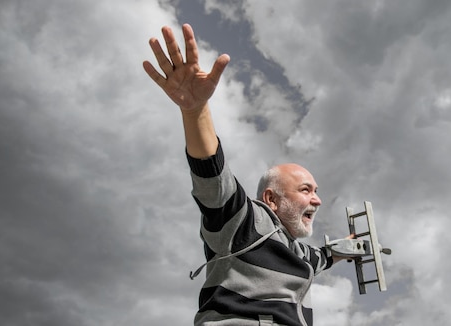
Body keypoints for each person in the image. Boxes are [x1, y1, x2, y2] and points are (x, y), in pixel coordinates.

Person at [143, 24, 344, 326]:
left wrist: (349, 248)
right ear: (271, 199)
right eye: (305, 190)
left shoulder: (299, 253)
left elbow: (324, 257)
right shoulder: (244, 222)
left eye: (315, 191)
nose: (317, 199)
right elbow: (213, 179)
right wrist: (195, 111)